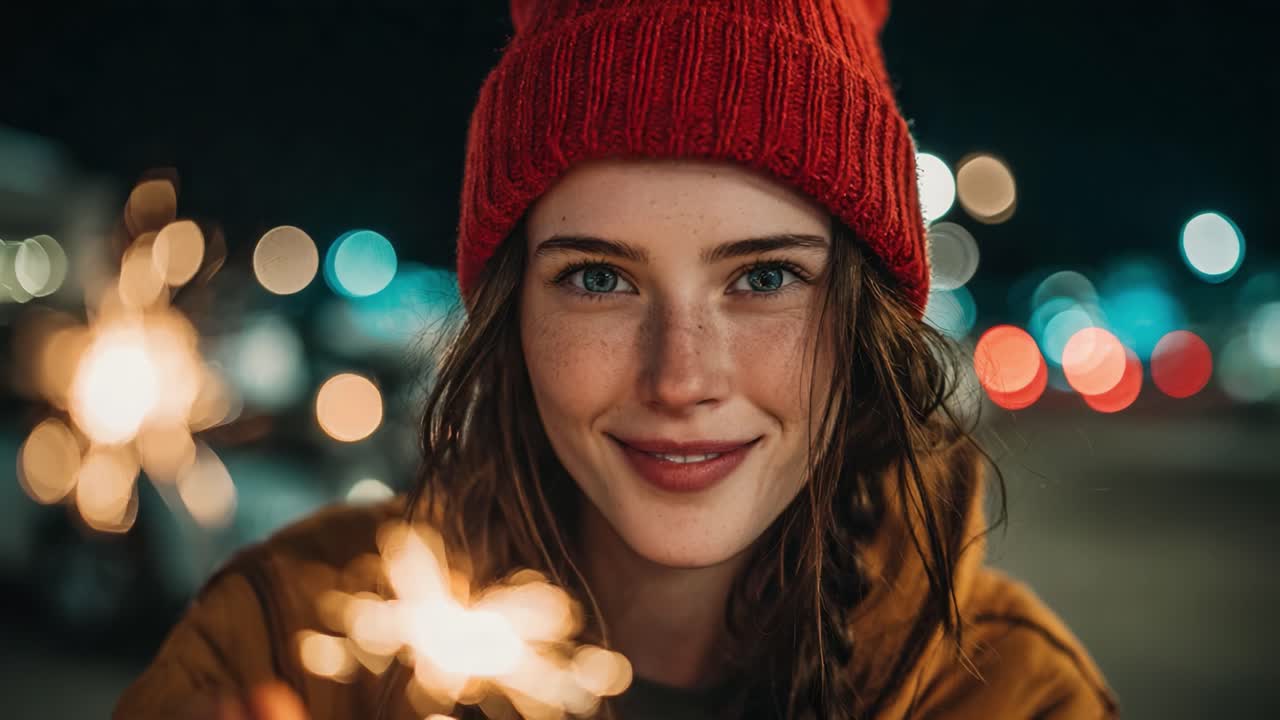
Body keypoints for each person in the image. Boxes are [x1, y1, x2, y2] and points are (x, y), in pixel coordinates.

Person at [114, 0, 1119, 718]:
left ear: (863, 318)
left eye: (764, 277)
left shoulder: (1013, 698)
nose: (680, 378)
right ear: (509, 311)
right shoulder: (290, 643)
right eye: (599, 279)